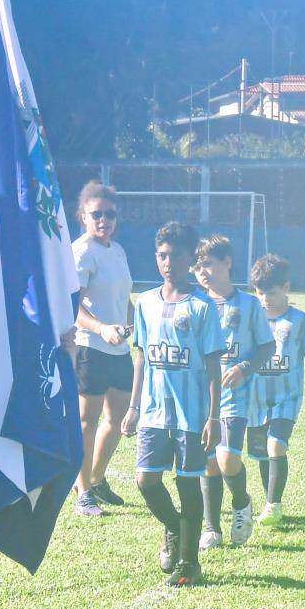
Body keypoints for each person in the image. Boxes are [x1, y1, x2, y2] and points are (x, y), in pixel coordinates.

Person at [120, 222, 222, 586]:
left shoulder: (203, 306)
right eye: (162, 255)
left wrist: (214, 416)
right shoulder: (146, 302)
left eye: (176, 255)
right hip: (152, 411)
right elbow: (142, 358)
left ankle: (189, 565)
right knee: (146, 481)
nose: (168, 262)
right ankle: (174, 528)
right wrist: (133, 407)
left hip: (192, 415)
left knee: (187, 484)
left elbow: (213, 365)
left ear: (191, 259)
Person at [192, 236, 271, 550]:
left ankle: (242, 502)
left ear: (227, 263)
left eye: (209, 263)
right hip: (201, 396)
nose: (202, 271)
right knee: (208, 462)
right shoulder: (195, 304)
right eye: (198, 266)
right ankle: (212, 528)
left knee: (227, 459)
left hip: (236, 396)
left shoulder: (249, 305)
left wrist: (244, 368)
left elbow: (267, 346)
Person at [70, 182, 134, 518]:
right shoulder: (81, 251)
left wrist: (139, 325)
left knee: (118, 418)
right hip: (90, 348)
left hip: (119, 350)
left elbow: (125, 299)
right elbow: (73, 307)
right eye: (97, 214)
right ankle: (81, 491)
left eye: (110, 214)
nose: (103, 220)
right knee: (87, 421)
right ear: (83, 216)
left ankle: (96, 480)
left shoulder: (117, 250)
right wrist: (101, 328)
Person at [244, 255, 305, 528]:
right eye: (260, 292)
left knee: (276, 444)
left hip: (287, 398)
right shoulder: (251, 319)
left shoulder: (299, 320)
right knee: (263, 453)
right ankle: (270, 501)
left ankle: (273, 505)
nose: (265, 298)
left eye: (271, 292)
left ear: (286, 287)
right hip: (254, 399)